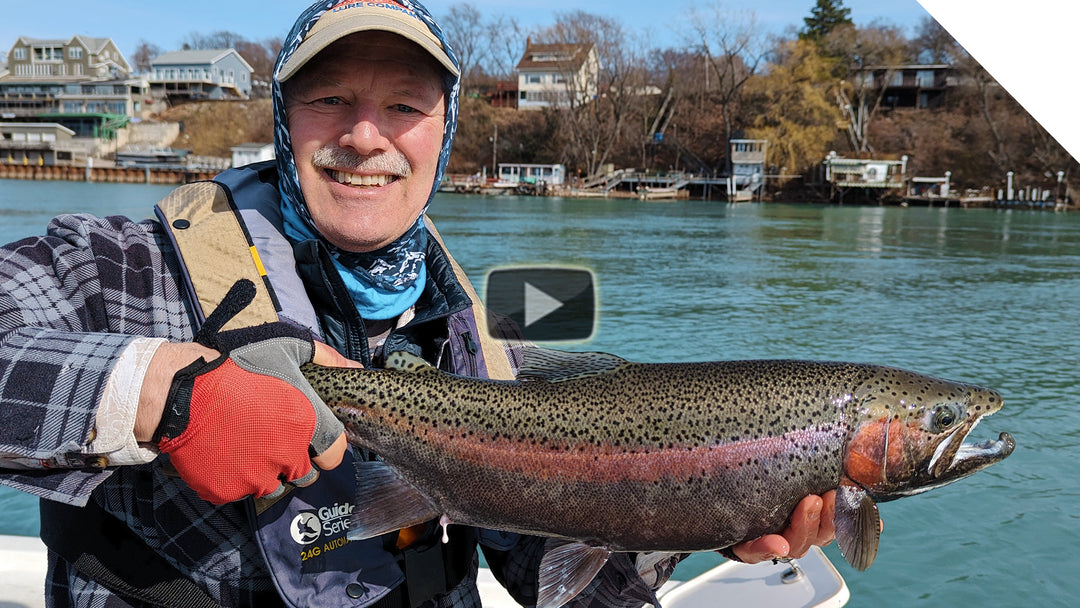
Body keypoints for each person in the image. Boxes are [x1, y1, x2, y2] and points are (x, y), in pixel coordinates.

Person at [0, 1, 838, 606]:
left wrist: (686, 512)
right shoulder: (122, 269)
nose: (366, 135)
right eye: (331, 99)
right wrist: (162, 392)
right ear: (282, 121)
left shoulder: (486, 341)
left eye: (404, 106)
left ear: (445, 134)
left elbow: (562, 579)